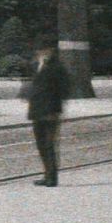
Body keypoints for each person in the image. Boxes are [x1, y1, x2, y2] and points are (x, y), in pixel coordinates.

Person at [26, 44, 68, 186]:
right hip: (37, 111)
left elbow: (64, 89)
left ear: (50, 51)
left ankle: (52, 177)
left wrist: (56, 107)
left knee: (49, 144)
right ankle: (46, 174)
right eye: (39, 50)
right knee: (41, 145)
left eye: (44, 50)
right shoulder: (35, 65)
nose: (41, 53)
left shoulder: (57, 67)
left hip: (50, 111)